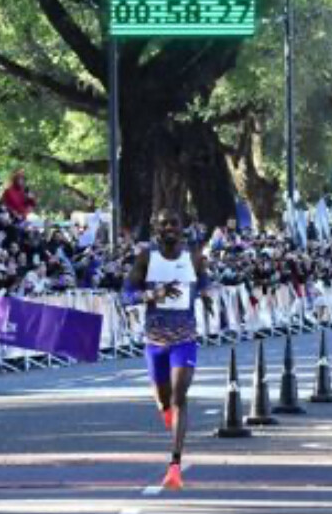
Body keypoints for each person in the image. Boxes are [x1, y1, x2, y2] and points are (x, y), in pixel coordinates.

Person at [121, 209, 212, 491]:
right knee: (164, 402)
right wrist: (153, 294)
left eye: (174, 223)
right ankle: (168, 415)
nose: (169, 228)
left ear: (182, 227)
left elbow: (204, 279)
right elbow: (125, 295)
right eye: (164, 224)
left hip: (185, 338)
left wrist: (206, 293)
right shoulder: (146, 258)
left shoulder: (193, 257)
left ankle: (174, 465)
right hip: (155, 341)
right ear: (156, 228)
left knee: (179, 398)